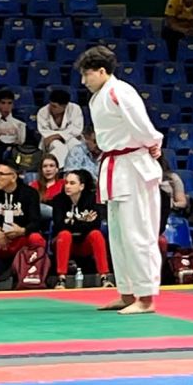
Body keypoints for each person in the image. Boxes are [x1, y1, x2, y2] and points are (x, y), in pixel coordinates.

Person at [76, 46, 163, 315]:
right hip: (113, 166)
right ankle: (126, 293)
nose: (84, 81)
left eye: (87, 75)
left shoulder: (120, 91)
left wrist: (153, 143)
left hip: (133, 166)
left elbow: (143, 125)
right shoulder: (98, 97)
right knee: (119, 236)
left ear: (102, 71)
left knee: (138, 234)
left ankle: (146, 297)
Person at [0, 161, 46, 290]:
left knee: (36, 238)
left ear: (13, 177)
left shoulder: (30, 193)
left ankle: (32, 279)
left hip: (20, 240)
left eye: (1, 174)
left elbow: (36, 222)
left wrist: (22, 231)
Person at [51, 169, 113, 289]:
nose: (67, 186)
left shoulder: (92, 199)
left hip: (84, 243)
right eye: (66, 183)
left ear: (81, 186)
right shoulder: (58, 200)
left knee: (96, 234)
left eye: (72, 183)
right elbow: (59, 226)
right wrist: (83, 222)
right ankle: (61, 279)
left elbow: (95, 225)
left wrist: (71, 223)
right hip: (63, 243)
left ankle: (104, 277)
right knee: (64, 235)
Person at [36, 88, 84, 168]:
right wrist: (60, 136)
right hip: (50, 141)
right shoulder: (43, 111)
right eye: (50, 104)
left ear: (64, 106)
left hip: (70, 138)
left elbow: (76, 129)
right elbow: (44, 131)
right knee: (59, 147)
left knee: (75, 145)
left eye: (55, 106)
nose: (51, 108)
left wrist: (57, 136)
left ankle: (75, 170)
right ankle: (58, 170)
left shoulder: (75, 109)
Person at [34, 153, 64, 220]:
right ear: (41, 170)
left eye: (51, 166)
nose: (48, 169)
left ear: (57, 169)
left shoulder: (63, 184)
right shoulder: (34, 185)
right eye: (45, 166)